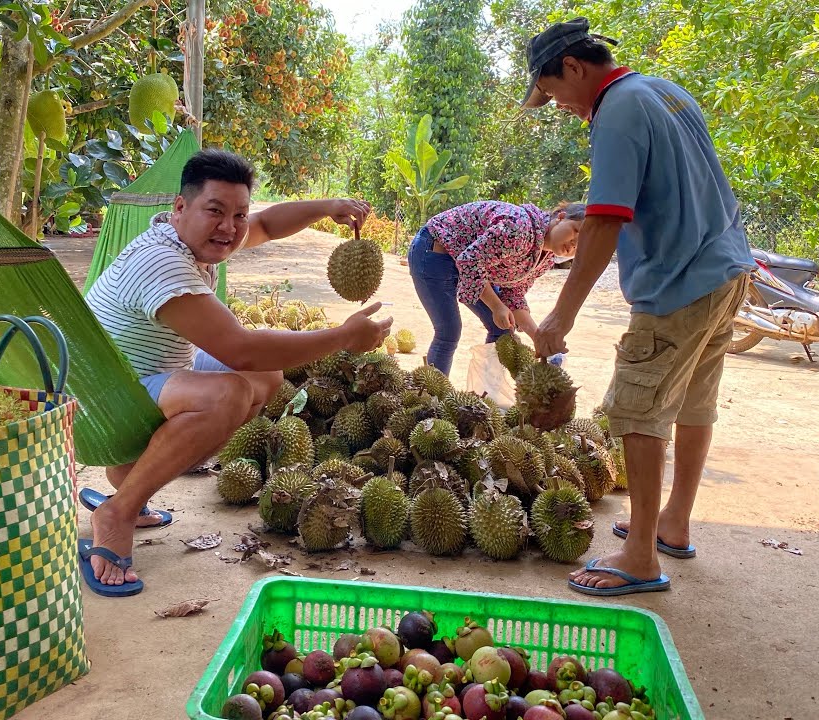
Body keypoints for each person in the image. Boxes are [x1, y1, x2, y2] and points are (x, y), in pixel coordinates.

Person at [80, 149, 391, 596]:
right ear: (181, 207)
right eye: (216, 211)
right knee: (228, 392)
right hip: (105, 399)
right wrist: (343, 337)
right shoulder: (162, 262)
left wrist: (329, 207)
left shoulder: (188, 240)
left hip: (143, 377)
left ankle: (130, 476)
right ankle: (118, 512)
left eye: (238, 214)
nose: (230, 227)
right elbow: (240, 349)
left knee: (265, 378)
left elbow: (266, 225)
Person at [520, 18, 754, 596]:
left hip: (675, 286)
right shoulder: (661, 92)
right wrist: (587, 205)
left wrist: (560, 315)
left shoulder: (615, 112)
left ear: (573, 68)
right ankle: (672, 523)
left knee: (637, 408)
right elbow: (665, 188)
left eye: (551, 93)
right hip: (724, 268)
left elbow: (606, 224)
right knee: (694, 402)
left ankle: (641, 556)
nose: (558, 107)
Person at [408, 200, 584, 375]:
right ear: (561, 218)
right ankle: (431, 399)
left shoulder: (545, 258)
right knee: (448, 332)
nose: (574, 244)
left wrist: (539, 338)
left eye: (581, 244)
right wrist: (497, 306)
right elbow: (470, 261)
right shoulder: (518, 228)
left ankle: (487, 393)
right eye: (575, 231)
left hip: (467, 262)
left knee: (503, 328)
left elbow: (514, 294)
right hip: (435, 250)